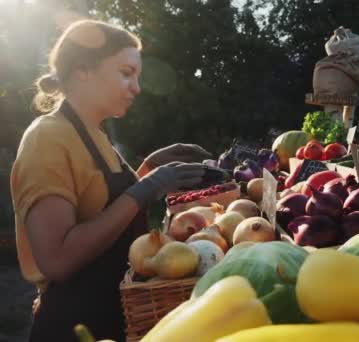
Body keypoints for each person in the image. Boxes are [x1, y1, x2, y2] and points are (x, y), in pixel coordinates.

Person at [10, 20, 212, 342]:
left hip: (111, 314)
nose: (137, 88)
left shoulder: (93, 132)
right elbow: (58, 260)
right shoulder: (47, 139)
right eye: (126, 73)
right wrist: (147, 188)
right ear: (83, 70)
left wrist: (148, 169)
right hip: (75, 325)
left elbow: (99, 205)